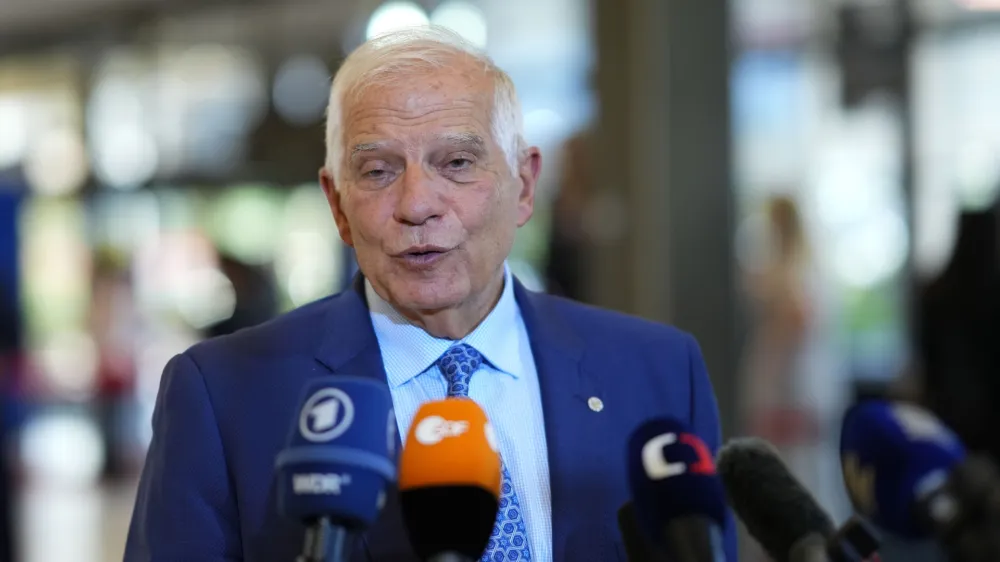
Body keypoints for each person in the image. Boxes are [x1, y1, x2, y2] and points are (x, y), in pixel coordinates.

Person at [124, 26, 735, 562]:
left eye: (457, 162)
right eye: (378, 171)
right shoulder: (221, 393)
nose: (417, 205)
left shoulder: (657, 372)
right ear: (337, 204)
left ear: (523, 185)